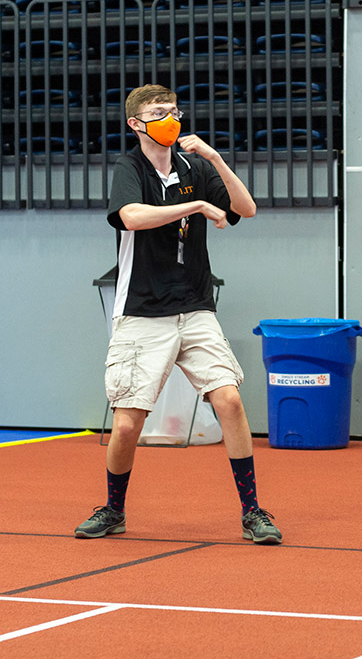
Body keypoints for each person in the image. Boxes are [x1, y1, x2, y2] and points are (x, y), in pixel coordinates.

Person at [74, 84, 282, 545]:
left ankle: (252, 512)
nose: (170, 119)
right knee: (128, 421)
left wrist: (217, 162)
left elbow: (245, 208)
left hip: (195, 305)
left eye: (174, 111)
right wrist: (197, 205)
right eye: (158, 113)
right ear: (136, 123)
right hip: (143, 310)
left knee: (228, 400)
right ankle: (113, 509)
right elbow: (130, 216)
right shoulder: (130, 166)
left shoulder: (195, 166)